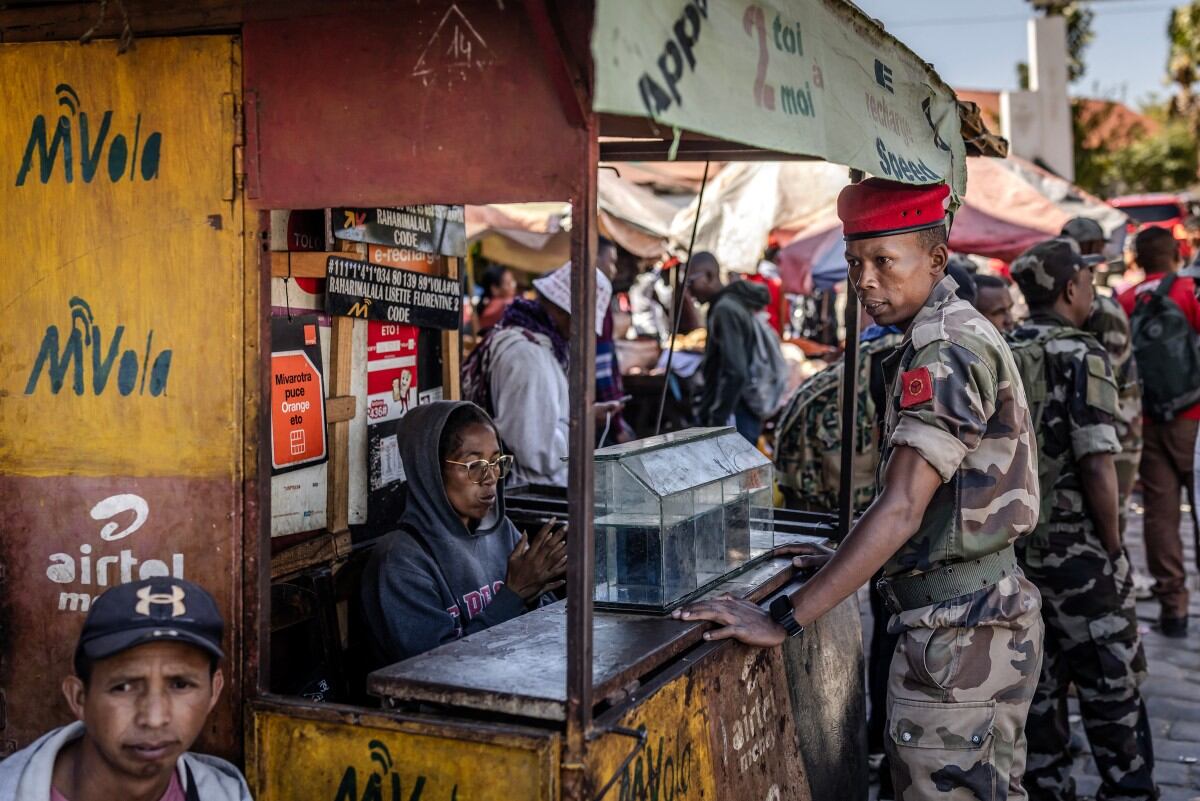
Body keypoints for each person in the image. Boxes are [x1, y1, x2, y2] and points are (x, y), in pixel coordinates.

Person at [677, 178, 1044, 801]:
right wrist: (848, 555)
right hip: (977, 618)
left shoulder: (943, 348)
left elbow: (901, 507)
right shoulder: (946, 331)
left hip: (957, 635)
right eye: (854, 264)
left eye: (883, 261)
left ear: (935, 258)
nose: (865, 280)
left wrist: (783, 618)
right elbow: (933, 506)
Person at [1008, 239, 1157, 801]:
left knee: (1037, 691)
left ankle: (1048, 788)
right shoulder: (1082, 352)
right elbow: (1098, 461)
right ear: (1070, 288)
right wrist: (1114, 546)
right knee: (1111, 686)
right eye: (1087, 281)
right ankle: (1129, 789)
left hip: (1016, 552)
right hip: (1080, 555)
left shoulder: (1001, 348)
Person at [0, 579, 252, 801]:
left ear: (213, 692)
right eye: (123, 687)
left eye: (180, 685)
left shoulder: (227, 795)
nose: (154, 719)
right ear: (79, 698)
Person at [361, 401, 566, 665]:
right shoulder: (403, 561)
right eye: (474, 465)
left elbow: (549, 623)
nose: (491, 477)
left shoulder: (501, 532)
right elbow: (436, 669)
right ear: (431, 470)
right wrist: (514, 595)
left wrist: (538, 587)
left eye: (496, 462)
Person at [462, 261, 616, 487]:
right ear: (568, 316)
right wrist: (582, 423)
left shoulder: (532, 346)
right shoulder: (528, 358)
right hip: (529, 496)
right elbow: (537, 451)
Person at [1117, 226, 1200, 637]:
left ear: (1138, 259)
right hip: (1193, 418)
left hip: (1146, 422)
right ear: (1176, 254)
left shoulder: (1125, 299)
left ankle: (1174, 609)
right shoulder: (1190, 291)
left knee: (1161, 514)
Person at [1061, 217, 1145, 548]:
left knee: (1113, 514)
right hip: (1102, 427)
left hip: (1116, 429)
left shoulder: (1100, 308)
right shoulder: (1089, 303)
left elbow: (1107, 376)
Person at [686, 252, 776, 444]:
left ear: (709, 276)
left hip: (737, 410)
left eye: (690, 282)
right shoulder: (727, 304)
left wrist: (717, 416)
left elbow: (735, 371)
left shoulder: (725, 309)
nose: (689, 291)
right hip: (739, 408)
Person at [475, 264, 518, 333]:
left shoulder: (487, 304)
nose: (514, 285)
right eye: (508, 283)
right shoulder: (503, 305)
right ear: (495, 289)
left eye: (512, 281)